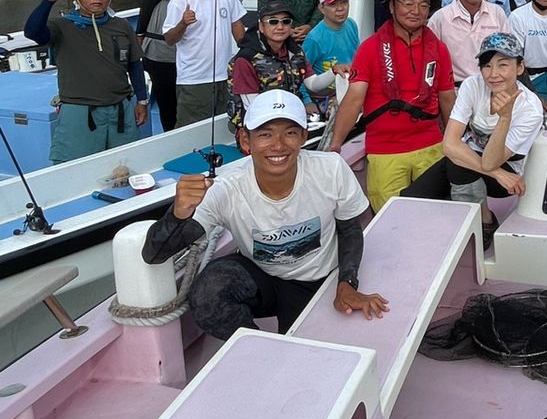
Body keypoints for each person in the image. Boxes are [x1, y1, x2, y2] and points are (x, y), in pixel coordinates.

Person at [141, 90, 387, 340]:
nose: (278, 145)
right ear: (246, 141)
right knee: (209, 292)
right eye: (265, 134)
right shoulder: (227, 189)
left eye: (290, 133)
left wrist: (346, 282)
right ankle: (258, 347)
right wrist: (177, 214)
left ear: (303, 136)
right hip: (264, 279)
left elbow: (350, 230)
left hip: (321, 278)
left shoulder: (331, 169)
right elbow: (154, 254)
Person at [402, 32, 544, 250]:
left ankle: (484, 220)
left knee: (457, 162)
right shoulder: (472, 85)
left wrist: (505, 117)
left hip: (508, 175)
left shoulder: (530, 108)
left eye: (503, 65)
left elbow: (489, 161)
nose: (493, 74)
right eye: (486, 66)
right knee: (409, 199)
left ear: (520, 67)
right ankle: (469, 213)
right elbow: (449, 144)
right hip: (495, 172)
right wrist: (497, 174)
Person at [329, 0, 455, 209]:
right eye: (407, 3)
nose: (416, 11)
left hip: (431, 147)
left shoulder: (439, 49)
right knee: (390, 223)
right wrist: (336, 143)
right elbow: (354, 98)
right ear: (391, 7)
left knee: (435, 218)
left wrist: (454, 142)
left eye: (423, 5)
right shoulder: (369, 48)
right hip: (385, 151)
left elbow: (447, 98)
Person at [23, 0, 149, 164]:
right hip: (79, 112)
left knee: (126, 166)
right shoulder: (61, 27)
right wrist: (48, 1)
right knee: (74, 170)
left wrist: (142, 101)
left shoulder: (121, 25)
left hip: (121, 110)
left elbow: (134, 64)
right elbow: (32, 32)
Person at [136, 0, 246, 132]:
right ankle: (172, 139)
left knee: (224, 120)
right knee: (170, 107)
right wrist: (140, 32)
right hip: (162, 54)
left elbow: (236, 24)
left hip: (210, 70)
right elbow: (149, 1)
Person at [163, 0, 247, 130]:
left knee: (228, 125)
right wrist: (183, 23)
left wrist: (246, 56)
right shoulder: (179, 1)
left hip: (226, 76)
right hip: (195, 80)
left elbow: (236, 25)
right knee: (194, 131)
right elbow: (169, 39)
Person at [228, 0, 318, 130]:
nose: (280, 27)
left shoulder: (295, 52)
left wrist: (334, 72)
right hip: (255, 128)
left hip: (290, 119)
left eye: (286, 21)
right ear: (261, 27)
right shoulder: (245, 59)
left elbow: (313, 84)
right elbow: (252, 107)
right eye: (273, 22)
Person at [428, 0, 510, 84]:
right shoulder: (440, 18)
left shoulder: (497, 13)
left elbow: (507, 55)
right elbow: (430, 62)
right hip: (454, 89)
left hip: (492, 87)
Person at [303, 0, 361, 81]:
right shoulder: (314, 39)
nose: (340, 8)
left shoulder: (351, 24)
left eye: (344, 2)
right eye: (333, 4)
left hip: (353, 84)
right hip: (328, 93)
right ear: (321, 8)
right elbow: (303, 74)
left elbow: (358, 58)